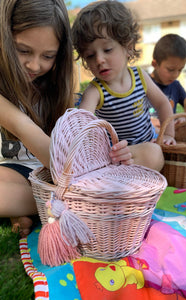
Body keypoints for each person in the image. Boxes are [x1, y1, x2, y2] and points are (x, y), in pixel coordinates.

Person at [0, 0, 132, 237]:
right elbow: (29, 132)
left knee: (151, 154)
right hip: (17, 171)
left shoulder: (56, 87)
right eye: (23, 50)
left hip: (57, 173)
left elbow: (70, 152)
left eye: (48, 55)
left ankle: (38, 205)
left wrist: (110, 155)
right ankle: (67, 203)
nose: (34, 65)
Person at [72, 0, 176, 172]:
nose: (99, 60)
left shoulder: (140, 76)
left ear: (128, 47)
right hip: (114, 156)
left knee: (155, 153)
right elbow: (83, 124)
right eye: (90, 55)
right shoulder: (95, 91)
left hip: (143, 150)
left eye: (107, 50)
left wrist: (169, 135)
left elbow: (162, 103)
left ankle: (131, 179)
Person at [149, 33, 186, 127]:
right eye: (170, 70)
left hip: (168, 138)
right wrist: (157, 123)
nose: (175, 75)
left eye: (180, 70)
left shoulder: (176, 85)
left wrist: (185, 117)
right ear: (155, 64)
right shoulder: (144, 83)